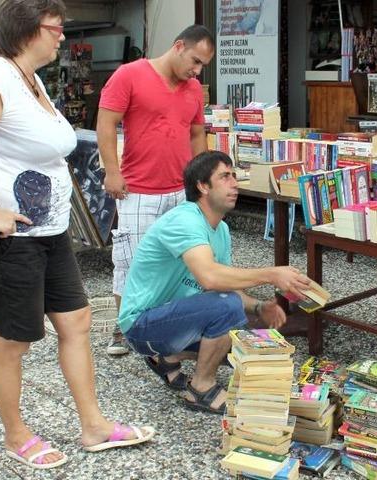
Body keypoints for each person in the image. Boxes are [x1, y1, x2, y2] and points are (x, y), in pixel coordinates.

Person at [0, 0, 154, 470]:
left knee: (76, 323)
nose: (62, 37)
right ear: (29, 30)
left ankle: (93, 425)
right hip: (12, 241)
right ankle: (16, 434)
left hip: (50, 232)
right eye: (56, 28)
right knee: (14, 340)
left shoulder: (30, 80)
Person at [118, 151, 313, 413]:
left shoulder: (220, 229)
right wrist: (271, 274)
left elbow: (223, 285)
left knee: (244, 341)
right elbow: (210, 277)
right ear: (202, 186)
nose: (234, 183)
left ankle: (167, 357)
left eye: (234, 176)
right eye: (224, 176)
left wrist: (258, 307)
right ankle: (201, 388)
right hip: (141, 325)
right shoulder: (184, 220)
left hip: (174, 319)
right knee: (228, 308)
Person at [97, 25, 214, 356]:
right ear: (178, 46)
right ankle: (122, 330)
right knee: (130, 263)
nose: (197, 70)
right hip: (138, 191)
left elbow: (195, 134)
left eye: (203, 65)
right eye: (194, 61)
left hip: (180, 192)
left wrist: (202, 182)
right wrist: (112, 171)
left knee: (180, 265)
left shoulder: (193, 89)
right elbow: (105, 123)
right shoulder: (129, 75)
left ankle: (170, 328)